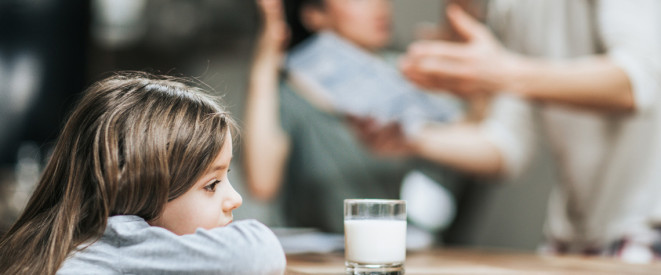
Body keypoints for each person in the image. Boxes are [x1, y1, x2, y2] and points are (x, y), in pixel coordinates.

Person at [356, 1, 661, 262]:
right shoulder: (512, 7)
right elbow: (509, 145)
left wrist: (504, 73)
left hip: (646, 229)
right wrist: (413, 138)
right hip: (572, 238)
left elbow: (640, 81)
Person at [0, 72, 287, 275]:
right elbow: (261, 251)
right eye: (212, 185)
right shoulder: (117, 246)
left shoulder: (69, 247)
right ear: (135, 189)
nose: (234, 198)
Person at [244, 0, 460, 234]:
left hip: (402, 249)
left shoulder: (411, 81)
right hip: (318, 261)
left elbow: (485, 143)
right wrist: (265, 63)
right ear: (314, 15)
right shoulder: (290, 97)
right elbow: (261, 184)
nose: (379, 5)